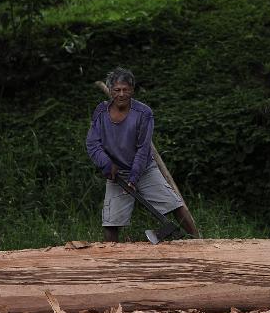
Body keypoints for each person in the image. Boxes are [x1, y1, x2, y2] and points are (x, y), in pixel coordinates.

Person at [85, 67, 200, 242]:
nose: (121, 94)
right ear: (110, 91)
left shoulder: (143, 113)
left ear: (132, 90)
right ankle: (110, 260)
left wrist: (134, 176)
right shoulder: (101, 112)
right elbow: (93, 143)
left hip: (144, 169)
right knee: (111, 222)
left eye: (126, 90)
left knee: (174, 205)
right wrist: (106, 164)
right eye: (117, 90)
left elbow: (143, 148)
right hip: (117, 172)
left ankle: (199, 242)